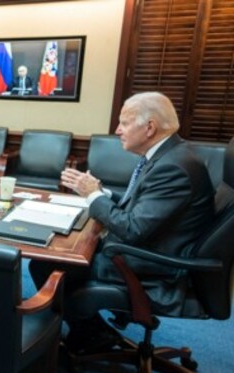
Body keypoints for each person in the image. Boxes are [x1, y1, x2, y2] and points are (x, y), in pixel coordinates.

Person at [30, 91, 215, 351]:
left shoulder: (173, 167)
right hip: (151, 251)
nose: (117, 130)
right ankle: (91, 331)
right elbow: (143, 206)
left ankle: (88, 333)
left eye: (124, 122)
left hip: (152, 267)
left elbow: (133, 228)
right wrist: (102, 192)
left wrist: (93, 196)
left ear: (149, 127)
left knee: (48, 264)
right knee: (54, 258)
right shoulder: (172, 156)